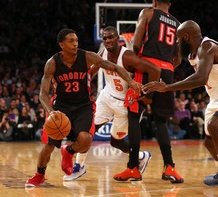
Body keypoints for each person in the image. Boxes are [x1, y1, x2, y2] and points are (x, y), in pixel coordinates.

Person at [143, 20, 218, 196]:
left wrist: (166, 87)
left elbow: (201, 78)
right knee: (209, 142)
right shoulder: (192, 54)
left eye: (179, 39)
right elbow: (177, 61)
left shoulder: (208, 47)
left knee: (214, 126)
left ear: (186, 37)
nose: (178, 43)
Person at [25, 28, 141, 187]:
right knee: (49, 146)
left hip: (83, 106)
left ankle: (69, 151)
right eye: (71, 41)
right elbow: (43, 93)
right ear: (61, 44)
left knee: (86, 140)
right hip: (60, 106)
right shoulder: (52, 63)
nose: (75, 44)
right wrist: (51, 112)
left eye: (76, 40)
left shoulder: (86, 56)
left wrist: (132, 81)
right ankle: (39, 174)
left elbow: (115, 67)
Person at [63, 26, 161, 181]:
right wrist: (83, 83)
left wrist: (149, 97)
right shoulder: (103, 53)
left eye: (110, 37)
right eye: (105, 38)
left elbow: (155, 70)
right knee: (88, 131)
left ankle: (141, 156)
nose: (107, 40)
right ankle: (79, 166)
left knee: (116, 141)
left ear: (118, 38)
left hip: (124, 104)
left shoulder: (127, 57)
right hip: (106, 98)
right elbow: (93, 69)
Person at [114, 0, 184, 183]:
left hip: (146, 68)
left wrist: (138, 63)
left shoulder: (148, 13)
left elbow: (136, 43)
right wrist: (166, 67)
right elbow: (179, 58)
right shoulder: (178, 25)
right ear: (169, 5)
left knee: (134, 115)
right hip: (168, 73)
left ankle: (133, 168)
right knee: (161, 121)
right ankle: (169, 167)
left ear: (154, 3)